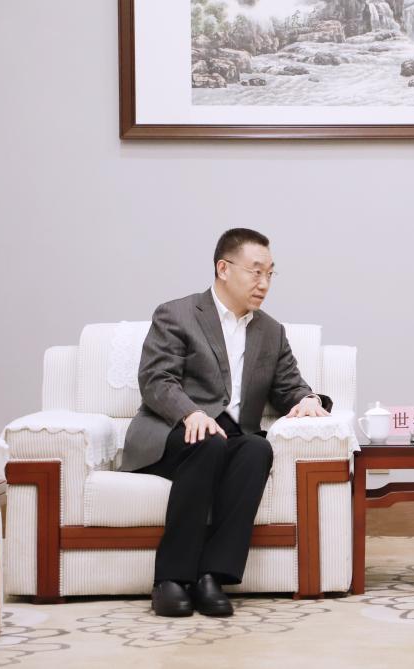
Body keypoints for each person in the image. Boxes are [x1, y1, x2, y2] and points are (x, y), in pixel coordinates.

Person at [121, 228, 332, 617]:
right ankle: (170, 579)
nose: (264, 283)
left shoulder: (271, 331)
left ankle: (211, 577)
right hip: (172, 434)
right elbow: (156, 380)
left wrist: (308, 400)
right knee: (208, 441)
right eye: (256, 271)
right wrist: (191, 413)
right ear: (223, 268)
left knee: (256, 448)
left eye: (270, 273)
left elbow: (289, 386)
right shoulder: (177, 314)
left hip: (230, 437)